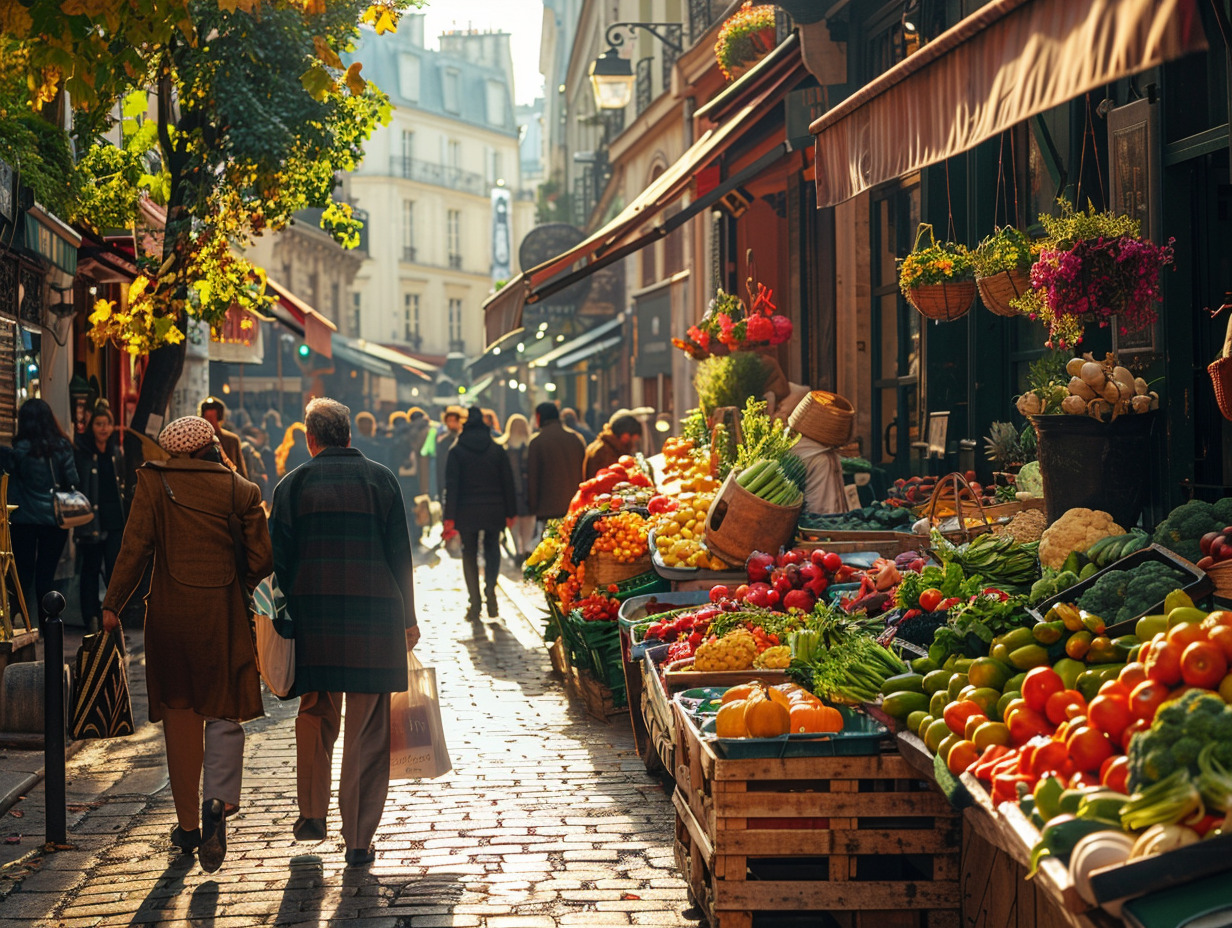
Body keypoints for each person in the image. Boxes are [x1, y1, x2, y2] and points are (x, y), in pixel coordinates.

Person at [101, 416, 270, 872]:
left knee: (179, 717)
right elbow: (262, 558)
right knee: (223, 710)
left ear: (174, 453)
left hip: (171, 617)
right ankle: (218, 800)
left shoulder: (153, 483)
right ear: (212, 447)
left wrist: (113, 603)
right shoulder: (242, 490)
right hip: (223, 616)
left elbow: (134, 548)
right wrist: (240, 583)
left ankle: (188, 826)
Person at [270, 398, 419, 868]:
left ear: (310, 438)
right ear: (349, 435)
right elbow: (401, 558)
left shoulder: (292, 486)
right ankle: (358, 839)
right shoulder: (382, 481)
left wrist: (282, 623)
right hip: (374, 620)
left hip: (314, 621)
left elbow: (278, 565)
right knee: (367, 730)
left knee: (314, 715)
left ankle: (312, 813)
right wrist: (408, 620)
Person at [0, 398, 80, 626]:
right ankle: (49, 629)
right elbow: (73, 480)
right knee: (46, 576)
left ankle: (20, 624)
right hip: (54, 521)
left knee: (22, 576)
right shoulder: (62, 447)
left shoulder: (17, 452)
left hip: (23, 520)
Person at [443, 406, 516, 620]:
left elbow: (451, 486)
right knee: (493, 549)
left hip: (467, 510)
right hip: (495, 509)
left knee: (469, 553)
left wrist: (449, 517)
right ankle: (490, 593)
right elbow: (508, 483)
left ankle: (474, 604)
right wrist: (511, 511)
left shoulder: (456, 451)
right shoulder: (496, 449)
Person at [73, 405, 128, 632]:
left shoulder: (117, 451)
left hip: (114, 518)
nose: (103, 429)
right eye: (98, 424)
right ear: (91, 427)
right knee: (91, 568)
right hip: (91, 519)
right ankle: (91, 616)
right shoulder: (83, 452)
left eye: (107, 424)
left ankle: (112, 614)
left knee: (115, 568)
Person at [526, 402, 585, 523]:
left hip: (548, 508)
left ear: (539, 416)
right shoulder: (575, 438)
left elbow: (533, 478)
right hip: (575, 505)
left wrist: (533, 506)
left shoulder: (537, 442)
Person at [499, 414, 536, 561]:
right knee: (528, 526)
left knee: (514, 526)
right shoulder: (531, 448)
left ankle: (518, 551)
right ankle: (525, 550)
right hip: (528, 494)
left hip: (510, 494)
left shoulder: (504, 449)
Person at [198, 396, 247, 478]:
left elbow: (241, 471)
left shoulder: (232, 440)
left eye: (213, 418)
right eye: (208, 418)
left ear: (219, 418)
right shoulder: (198, 439)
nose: (210, 422)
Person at [583, 413, 642, 479]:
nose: (633, 446)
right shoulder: (605, 452)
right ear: (625, 436)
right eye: (634, 441)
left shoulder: (607, 446)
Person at [433, 406, 463, 501]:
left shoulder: (464, 440)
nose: (452, 423)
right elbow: (440, 466)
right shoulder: (443, 442)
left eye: (454, 420)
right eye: (449, 421)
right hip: (448, 480)